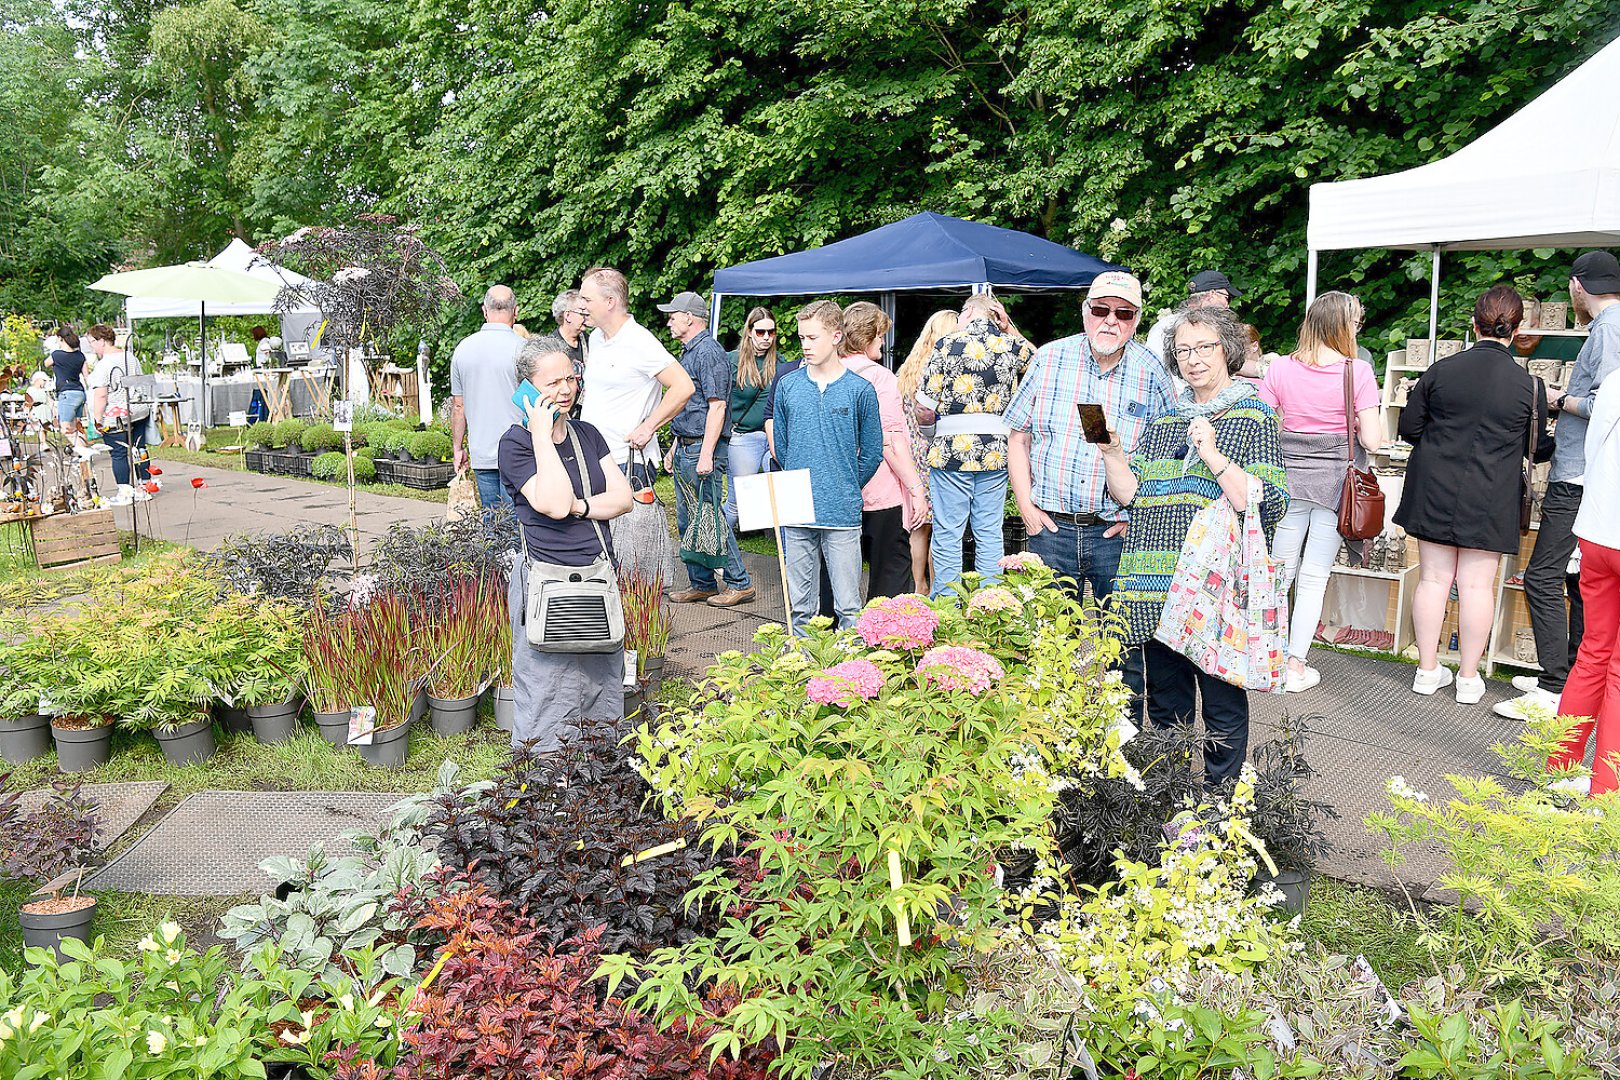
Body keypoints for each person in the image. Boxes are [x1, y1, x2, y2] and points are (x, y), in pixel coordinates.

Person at [1100, 306, 1288, 786]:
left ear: (1227, 348)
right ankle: (1169, 798)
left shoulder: (1253, 417)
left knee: (1222, 703)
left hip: (1212, 590)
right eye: (1183, 350)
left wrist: (1211, 451)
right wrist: (1113, 454)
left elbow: (1266, 503)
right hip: (1154, 585)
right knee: (1165, 705)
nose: (1193, 359)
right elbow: (1130, 494)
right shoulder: (1165, 422)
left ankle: (1221, 806)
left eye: (1204, 347)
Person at [1004, 271, 1176, 708]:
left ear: (1137, 320)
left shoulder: (1151, 373)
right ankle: (1045, 745)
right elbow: (1017, 436)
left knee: (1125, 651)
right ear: (1085, 312)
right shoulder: (1049, 359)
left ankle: (1125, 747)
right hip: (1052, 530)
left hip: (1116, 535)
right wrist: (1025, 507)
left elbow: (1170, 456)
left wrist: (1138, 516)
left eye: (1124, 313)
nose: (1110, 321)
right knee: (1044, 644)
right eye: (1101, 309)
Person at [1394, 286, 1553, 705]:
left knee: (1432, 578)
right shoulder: (1529, 386)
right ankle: (1468, 678)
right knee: (1478, 587)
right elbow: (1538, 449)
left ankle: (1427, 671)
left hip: (1434, 484)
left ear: (1473, 323)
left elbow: (1409, 429)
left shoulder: (1441, 370)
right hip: (1491, 491)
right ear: (1517, 329)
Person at [1497, 252, 1620, 720]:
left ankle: (1553, 685)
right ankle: (1567, 673)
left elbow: (1607, 404)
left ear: (1576, 286)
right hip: (1591, 474)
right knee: (1579, 581)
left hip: (1580, 474)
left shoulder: (1608, 329)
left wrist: (1556, 398)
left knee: (1543, 575)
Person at [499, 339, 634, 750]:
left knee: (601, 680)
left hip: (595, 574)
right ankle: (545, 775)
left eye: (570, 377)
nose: (565, 388)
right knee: (545, 686)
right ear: (527, 389)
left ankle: (600, 764)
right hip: (545, 579)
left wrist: (580, 505)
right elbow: (553, 505)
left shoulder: (588, 435)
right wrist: (543, 434)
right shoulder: (516, 444)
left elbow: (623, 498)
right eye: (553, 381)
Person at [1257, 292, 1381, 693]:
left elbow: (1263, 424)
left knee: (1278, 571)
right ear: (1345, 326)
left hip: (1288, 479)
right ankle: (1295, 664)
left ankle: (1264, 656)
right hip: (1336, 486)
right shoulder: (1357, 372)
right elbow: (1375, 441)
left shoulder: (1279, 369)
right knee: (1313, 578)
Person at [774, 300, 883, 634]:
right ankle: (800, 672)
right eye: (802, 338)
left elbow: (873, 451)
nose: (805, 345)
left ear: (836, 336)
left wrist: (846, 483)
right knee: (799, 608)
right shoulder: (788, 386)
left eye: (813, 338)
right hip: (797, 509)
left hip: (841, 511)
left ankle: (851, 675)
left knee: (849, 607)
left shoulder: (859, 390)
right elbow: (781, 446)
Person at [916, 293, 1035, 596]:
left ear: (966, 312)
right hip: (995, 451)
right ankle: (990, 603)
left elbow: (924, 406)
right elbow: (1039, 362)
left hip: (951, 451)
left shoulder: (947, 345)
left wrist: (932, 435)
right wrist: (1010, 328)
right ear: (996, 316)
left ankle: (947, 605)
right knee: (989, 531)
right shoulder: (1012, 346)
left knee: (948, 533)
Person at [1546, 376, 1620, 797]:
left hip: (1597, 527)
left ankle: (1557, 771)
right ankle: (1605, 794)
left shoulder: (1614, 379)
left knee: (1593, 654)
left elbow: (1593, 450)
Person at [657, 290, 754, 608]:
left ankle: (740, 583)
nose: (669, 320)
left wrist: (706, 454)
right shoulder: (689, 353)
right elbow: (690, 406)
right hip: (688, 446)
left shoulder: (709, 353)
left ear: (690, 317)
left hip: (702, 448)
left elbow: (717, 407)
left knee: (711, 519)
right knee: (689, 521)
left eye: (674, 315)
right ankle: (702, 584)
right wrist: (674, 446)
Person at [577, 266, 695, 482]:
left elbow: (684, 386)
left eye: (586, 299)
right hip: (596, 457)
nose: (581, 306)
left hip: (627, 461)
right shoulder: (595, 338)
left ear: (610, 301)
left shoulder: (639, 341)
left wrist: (648, 428)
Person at [840, 302, 923, 600]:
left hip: (840, 489)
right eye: (880, 336)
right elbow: (891, 440)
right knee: (891, 574)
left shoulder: (824, 372)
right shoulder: (881, 378)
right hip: (880, 491)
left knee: (839, 578)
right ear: (867, 337)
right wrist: (916, 488)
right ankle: (886, 641)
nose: (883, 342)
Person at [896, 310, 959, 595]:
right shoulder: (946, 366)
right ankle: (937, 588)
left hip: (911, 454)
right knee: (942, 526)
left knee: (919, 526)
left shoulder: (909, 369)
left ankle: (919, 584)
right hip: (938, 451)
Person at [450, 285, 525, 509]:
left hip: (482, 449)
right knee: (516, 523)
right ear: (516, 311)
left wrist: (457, 448)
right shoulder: (523, 349)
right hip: (518, 451)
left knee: (491, 522)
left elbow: (458, 406)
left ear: (485, 311)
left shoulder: (463, 349)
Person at [724, 307, 781, 529]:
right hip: (744, 438)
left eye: (771, 332)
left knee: (780, 497)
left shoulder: (780, 362)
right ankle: (712, 545)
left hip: (773, 437)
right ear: (749, 331)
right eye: (760, 332)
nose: (766, 337)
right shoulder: (731, 361)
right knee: (738, 505)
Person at [85, 324, 153, 505]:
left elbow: (101, 394)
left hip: (116, 415)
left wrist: (97, 420)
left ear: (101, 341)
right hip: (138, 409)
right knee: (139, 448)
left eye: (92, 342)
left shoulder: (103, 365)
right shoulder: (130, 357)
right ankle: (144, 487)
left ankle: (125, 491)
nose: (92, 347)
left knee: (118, 453)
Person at [1143, 269, 1244, 365]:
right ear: (1212, 295)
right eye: (1227, 298)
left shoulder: (1165, 325)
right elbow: (1152, 366)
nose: (1227, 305)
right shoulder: (1166, 327)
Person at [46, 325, 88, 435]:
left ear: (61, 339)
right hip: (80, 392)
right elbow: (87, 376)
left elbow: (46, 363)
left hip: (66, 393)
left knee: (66, 429)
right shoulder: (80, 356)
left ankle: (83, 451)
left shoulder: (56, 355)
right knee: (76, 428)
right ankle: (82, 450)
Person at [550, 289, 590, 378]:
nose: (586, 317)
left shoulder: (590, 341)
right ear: (568, 316)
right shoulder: (551, 347)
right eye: (582, 313)